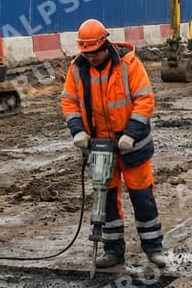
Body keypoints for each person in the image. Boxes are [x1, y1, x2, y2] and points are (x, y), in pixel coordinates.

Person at [60, 19, 165, 269]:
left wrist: (131, 134)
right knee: (105, 201)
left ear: (105, 45)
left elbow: (145, 100)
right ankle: (113, 250)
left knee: (142, 198)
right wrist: (78, 131)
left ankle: (153, 248)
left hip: (133, 147)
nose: (90, 57)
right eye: (86, 53)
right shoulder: (77, 69)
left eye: (94, 53)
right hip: (100, 147)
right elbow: (69, 102)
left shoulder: (129, 65)